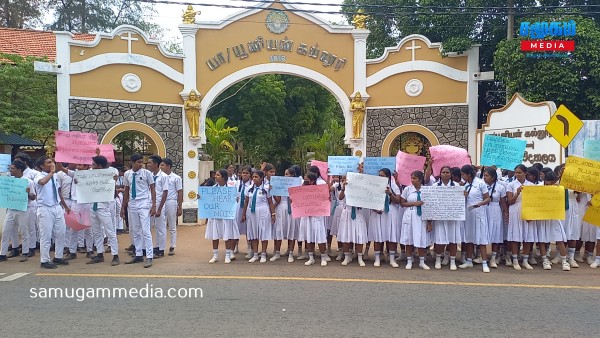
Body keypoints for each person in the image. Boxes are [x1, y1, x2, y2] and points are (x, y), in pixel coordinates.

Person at [122, 153, 156, 268]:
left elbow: (152, 189)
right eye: (138, 162)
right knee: (135, 230)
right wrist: (124, 205)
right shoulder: (127, 174)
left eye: (142, 162)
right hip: (132, 204)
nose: (141, 164)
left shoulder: (147, 173)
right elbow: (126, 189)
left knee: (146, 230)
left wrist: (154, 205)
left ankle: (149, 256)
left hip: (144, 203)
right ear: (132, 163)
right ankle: (138, 254)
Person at [34, 156, 68, 269]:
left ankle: (58, 256)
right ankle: (44, 260)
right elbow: (42, 182)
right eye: (48, 162)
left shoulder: (54, 177)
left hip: (56, 206)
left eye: (51, 161)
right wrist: (52, 172)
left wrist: (65, 206)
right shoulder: (39, 175)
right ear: (42, 166)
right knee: (46, 235)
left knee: (61, 232)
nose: (52, 163)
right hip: (45, 208)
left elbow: (58, 192)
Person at [87, 155, 120, 266]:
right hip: (93, 206)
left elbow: (115, 175)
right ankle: (100, 254)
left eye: (94, 164)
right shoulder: (91, 173)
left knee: (110, 231)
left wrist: (114, 178)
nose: (91, 166)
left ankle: (115, 255)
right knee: (96, 232)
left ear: (99, 166)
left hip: (103, 207)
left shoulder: (109, 173)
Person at [0, 161, 35, 262]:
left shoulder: (28, 181)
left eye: (12, 168)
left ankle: (25, 252)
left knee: (24, 231)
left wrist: (28, 193)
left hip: (23, 209)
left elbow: (33, 197)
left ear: (19, 170)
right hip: (11, 209)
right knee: (6, 231)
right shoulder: (9, 181)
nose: (10, 170)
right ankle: (2, 254)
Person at [429, 165, 463, 271]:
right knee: (439, 239)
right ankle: (438, 259)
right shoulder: (435, 186)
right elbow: (431, 201)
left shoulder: (457, 186)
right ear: (440, 173)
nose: (445, 174)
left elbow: (460, 201)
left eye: (447, 172)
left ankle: (452, 261)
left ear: (451, 174)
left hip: (453, 218)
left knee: (453, 240)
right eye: (443, 172)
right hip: (440, 217)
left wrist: (464, 195)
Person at [459, 165, 491, 273]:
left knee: (481, 238)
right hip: (468, 213)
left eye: (463, 174)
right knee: (469, 237)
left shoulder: (480, 183)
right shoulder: (466, 184)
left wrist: (480, 204)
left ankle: (484, 262)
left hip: (478, 211)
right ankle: (468, 261)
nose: (462, 176)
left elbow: (487, 198)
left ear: (469, 174)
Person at [204, 169, 239, 263]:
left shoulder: (231, 188)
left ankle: (227, 255)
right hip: (215, 215)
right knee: (214, 235)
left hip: (226, 215)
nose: (215, 176)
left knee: (227, 235)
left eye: (218, 175)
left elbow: (235, 201)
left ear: (223, 177)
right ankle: (215, 255)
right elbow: (209, 202)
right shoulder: (213, 189)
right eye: (215, 175)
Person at [537, 171, 570, 271]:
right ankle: (545, 260)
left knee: (559, 239)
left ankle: (564, 261)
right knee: (542, 239)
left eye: (552, 182)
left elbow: (564, 204)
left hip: (555, 216)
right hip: (543, 216)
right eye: (548, 183)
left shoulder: (560, 189)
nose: (550, 185)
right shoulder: (538, 187)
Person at [367, 168, 401, 268]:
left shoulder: (393, 186)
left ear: (388, 176)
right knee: (378, 236)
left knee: (390, 236)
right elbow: (368, 200)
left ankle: (391, 259)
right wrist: (375, 209)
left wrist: (390, 193)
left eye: (383, 175)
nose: (381, 177)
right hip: (378, 213)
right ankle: (377, 258)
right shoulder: (374, 186)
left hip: (390, 212)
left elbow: (398, 201)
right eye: (380, 175)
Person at [400, 171, 432, 270]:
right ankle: (409, 260)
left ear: (420, 179)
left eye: (415, 178)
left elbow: (430, 206)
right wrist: (414, 203)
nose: (412, 180)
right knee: (409, 239)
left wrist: (429, 222)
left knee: (421, 239)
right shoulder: (407, 189)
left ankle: (422, 261)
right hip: (410, 215)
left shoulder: (427, 190)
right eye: (412, 178)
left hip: (422, 216)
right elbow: (402, 203)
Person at [241, 170, 275, 263]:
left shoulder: (266, 188)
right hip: (251, 212)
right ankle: (255, 254)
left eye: (256, 177)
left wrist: (273, 214)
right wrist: (243, 214)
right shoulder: (249, 188)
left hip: (263, 210)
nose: (254, 179)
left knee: (263, 232)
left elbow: (270, 202)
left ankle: (263, 254)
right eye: (253, 177)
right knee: (253, 233)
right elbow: (246, 202)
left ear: (261, 178)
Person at [297, 172, 329, 266]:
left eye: (307, 179)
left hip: (317, 216)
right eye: (304, 179)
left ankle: (323, 257)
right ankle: (311, 257)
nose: (305, 180)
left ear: (312, 180)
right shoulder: (302, 189)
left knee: (320, 237)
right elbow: (296, 199)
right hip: (306, 216)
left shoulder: (319, 189)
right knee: (308, 237)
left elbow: (325, 199)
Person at [506, 164, 533, 270]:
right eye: (516, 172)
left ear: (525, 173)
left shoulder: (531, 185)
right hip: (515, 211)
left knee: (527, 236)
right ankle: (515, 260)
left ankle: (525, 260)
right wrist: (516, 193)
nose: (517, 174)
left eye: (519, 172)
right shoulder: (511, 185)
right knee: (515, 236)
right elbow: (509, 201)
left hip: (527, 211)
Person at [337, 177, 368, 266]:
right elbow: (340, 197)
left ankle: (360, 258)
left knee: (359, 236)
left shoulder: (362, 189)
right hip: (347, 212)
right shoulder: (346, 187)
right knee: (346, 235)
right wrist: (343, 187)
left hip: (358, 213)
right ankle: (347, 257)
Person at [483, 167, 508, 269]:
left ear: (493, 177)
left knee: (496, 234)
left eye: (487, 176)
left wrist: (506, 212)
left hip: (495, 210)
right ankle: (481, 256)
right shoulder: (481, 185)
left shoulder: (500, 187)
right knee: (483, 232)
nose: (485, 177)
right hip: (484, 209)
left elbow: (503, 201)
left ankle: (493, 258)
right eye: (484, 175)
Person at [160, 158, 182, 256]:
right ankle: (161, 246)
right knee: (161, 225)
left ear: (168, 166)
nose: (161, 167)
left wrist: (179, 206)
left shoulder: (176, 178)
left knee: (172, 225)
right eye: (160, 165)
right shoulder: (159, 177)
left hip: (171, 201)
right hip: (161, 202)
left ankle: (172, 246)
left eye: (163, 165)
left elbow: (179, 192)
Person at [148, 155, 168, 258]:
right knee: (152, 226)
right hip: (150, 203)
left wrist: (159, 208)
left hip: (159, 203)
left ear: (156, 164)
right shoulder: (150, 175)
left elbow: (165, 193)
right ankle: (156, 246)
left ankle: (161, 249)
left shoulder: (163, 176)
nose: (148, 165)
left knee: (160, 227)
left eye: (150, 163)